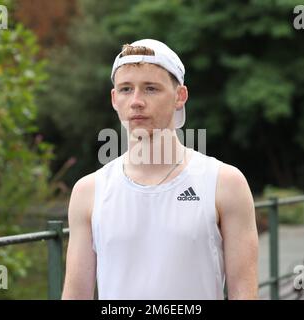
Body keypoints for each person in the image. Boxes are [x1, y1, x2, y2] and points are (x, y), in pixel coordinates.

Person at [61, 39, 258, 300]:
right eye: (126, 89)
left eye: (151, 89)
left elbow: (244, 294)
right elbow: (76, 296)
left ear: (180, 96)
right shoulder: (89, 191)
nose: (136, 101)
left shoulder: (224, 183)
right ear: (114, 99)